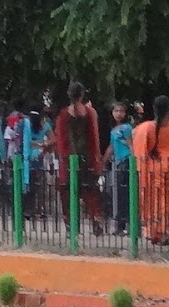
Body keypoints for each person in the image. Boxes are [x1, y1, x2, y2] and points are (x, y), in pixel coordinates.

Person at [131, 95, 169, 245]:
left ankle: (151, 231)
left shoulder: (146, 128)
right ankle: (161, 232)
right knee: (165, 201)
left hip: (151, 167)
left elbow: (135, 140)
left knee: (150, 200)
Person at [53, 81, 105, 232]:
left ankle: (71, 225)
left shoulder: (63, 115)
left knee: (68, 193)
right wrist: (97, 160)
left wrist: (63, 160)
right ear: (82, 95)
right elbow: (94, 138)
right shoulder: (90, 113)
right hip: (87, 158)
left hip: (69, 160)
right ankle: (96, 219)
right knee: (90, 192)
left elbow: (61, 141)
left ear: (69, 95)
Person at [101, 101, 134, 234]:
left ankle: (124, 226)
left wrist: (134, 161)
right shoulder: (114, 130)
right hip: (118, 162)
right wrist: (103, 161)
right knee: (119, 194)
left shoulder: (126, 128)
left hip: (126, 162)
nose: (119, 114)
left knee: (124, 194)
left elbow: (132, 145)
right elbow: (111, 147)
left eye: (121, 111)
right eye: (116, 111)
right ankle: (121, 225)